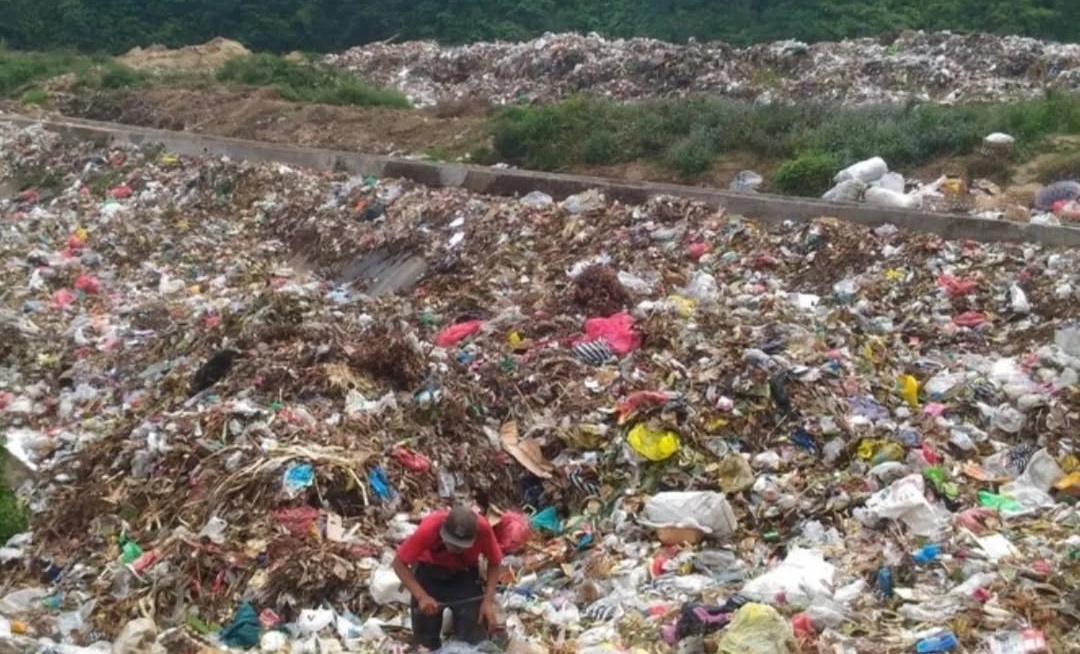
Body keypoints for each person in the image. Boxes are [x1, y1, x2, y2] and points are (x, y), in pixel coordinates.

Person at [392, 504, 505, 650]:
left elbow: (494, 562)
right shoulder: (429, 527)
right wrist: (421, 596)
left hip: (464, 574)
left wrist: (488, 601)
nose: (455, 549)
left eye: (461, 546)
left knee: (473, 631)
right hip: (429, 572)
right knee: (424, 638)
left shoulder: (483, 530)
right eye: (451, 543)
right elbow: (399, 563)